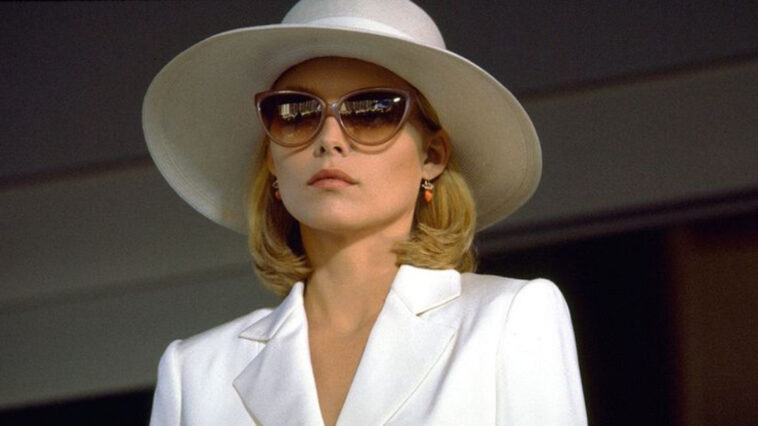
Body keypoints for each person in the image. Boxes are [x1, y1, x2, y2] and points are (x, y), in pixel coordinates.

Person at [143, 1, 587, 425]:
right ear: (272, 161)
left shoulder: (508, 320)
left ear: (432, 155)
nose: (329, 139)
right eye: (296, 114)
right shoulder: (197, 373)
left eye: (372, 112)